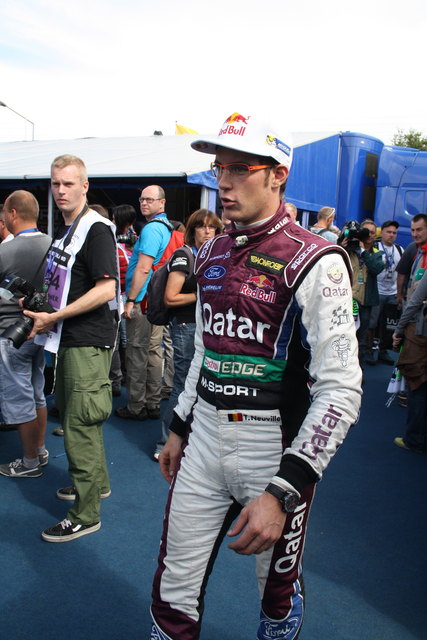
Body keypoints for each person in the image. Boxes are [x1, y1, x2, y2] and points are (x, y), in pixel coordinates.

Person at [150, 111, 362, 640]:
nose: (223, 182)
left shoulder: (317, 259)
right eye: (220, 168)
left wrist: (286, 489)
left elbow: (341, 390)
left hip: (273, 445)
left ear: (278, 174)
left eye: (240, 169)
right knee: (173, 588)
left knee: (276, 595)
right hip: (203, 437)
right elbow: (207, 347)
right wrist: (178, 426)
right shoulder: (211, 250)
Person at [24, 154, 119, 542]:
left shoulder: (95, 229)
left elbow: (106, 288)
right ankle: (96, 485)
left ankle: (85, 513)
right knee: (81, 420)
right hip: (69, 339)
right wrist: (38, 308)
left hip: (86, 340)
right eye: (55, 183)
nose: (60, 190)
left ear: (84, 186)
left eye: (68, 183)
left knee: (79, 425)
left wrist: (55, 315)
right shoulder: (68, 230)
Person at [153, 208, 223, 461]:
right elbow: (170, 297)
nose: (207, 231)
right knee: (184, 385)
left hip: (210, 326)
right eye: (202, 226)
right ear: (192, 230)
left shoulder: (214, 256)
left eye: (212, 227)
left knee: (205, 384)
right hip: (186, 326)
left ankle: (189, 441)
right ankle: (164, 443)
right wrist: (205, 292)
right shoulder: (184, 255)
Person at [0, 190, 51, 478]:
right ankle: (39, 450)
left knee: (19, 399)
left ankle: (29, 462)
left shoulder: (4, 251)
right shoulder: (53, 245)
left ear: (13, 213)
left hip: (10, 334)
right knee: (37, 393)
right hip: (42, 330)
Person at [115, 185, 174, 421]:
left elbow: (143, 267)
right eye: (142, 199)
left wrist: (130, 300)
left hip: (143, 300)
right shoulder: (165, 227)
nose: (144, 203)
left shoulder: (151, 229)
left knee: (137, 351)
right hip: (156, 299)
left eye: (150, 199)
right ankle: (152, 402)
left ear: (162, 202)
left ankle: (136, 406)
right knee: (153, 351)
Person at [339, 219, 384, 366]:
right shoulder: (349, 249)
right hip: (346, 299)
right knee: (343, 335)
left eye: (372, 232)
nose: (369, 235)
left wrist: (363, 251)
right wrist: (341, 248)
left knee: (361, 339)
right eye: (366, 231)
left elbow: (376, 268)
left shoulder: (377, 253)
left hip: (364, 301)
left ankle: (359, 370)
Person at [392, 268, 427, 452]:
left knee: (418, 386)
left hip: (422, 336)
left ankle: (414, 439)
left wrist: (399, 329)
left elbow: (414, 303)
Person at [110, 204, 138, 394]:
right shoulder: (136, 241)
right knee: (124, 339)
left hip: (121, 296)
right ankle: (123, 378)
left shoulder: (118, 244)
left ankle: (117, 380)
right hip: (126, 296)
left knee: (119, 339)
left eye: (114, 218)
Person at [368, 220, 403, 364]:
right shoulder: (375, 247)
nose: (391, 235)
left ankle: (383, 351)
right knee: (372, 323)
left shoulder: (400, 250)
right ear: (381, 232)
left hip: (392, 293)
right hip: (376, 292)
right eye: (388, 232)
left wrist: (400, 293)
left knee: (388, 326)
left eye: (394, 233)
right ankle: (369, 351)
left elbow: (402, 273)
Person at [396, 214, 427, 308]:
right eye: (413, 230)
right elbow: (401, 273)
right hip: (411, 303)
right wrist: (400, 295)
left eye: (419, 230)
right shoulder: (415, 248)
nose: (414, 234)